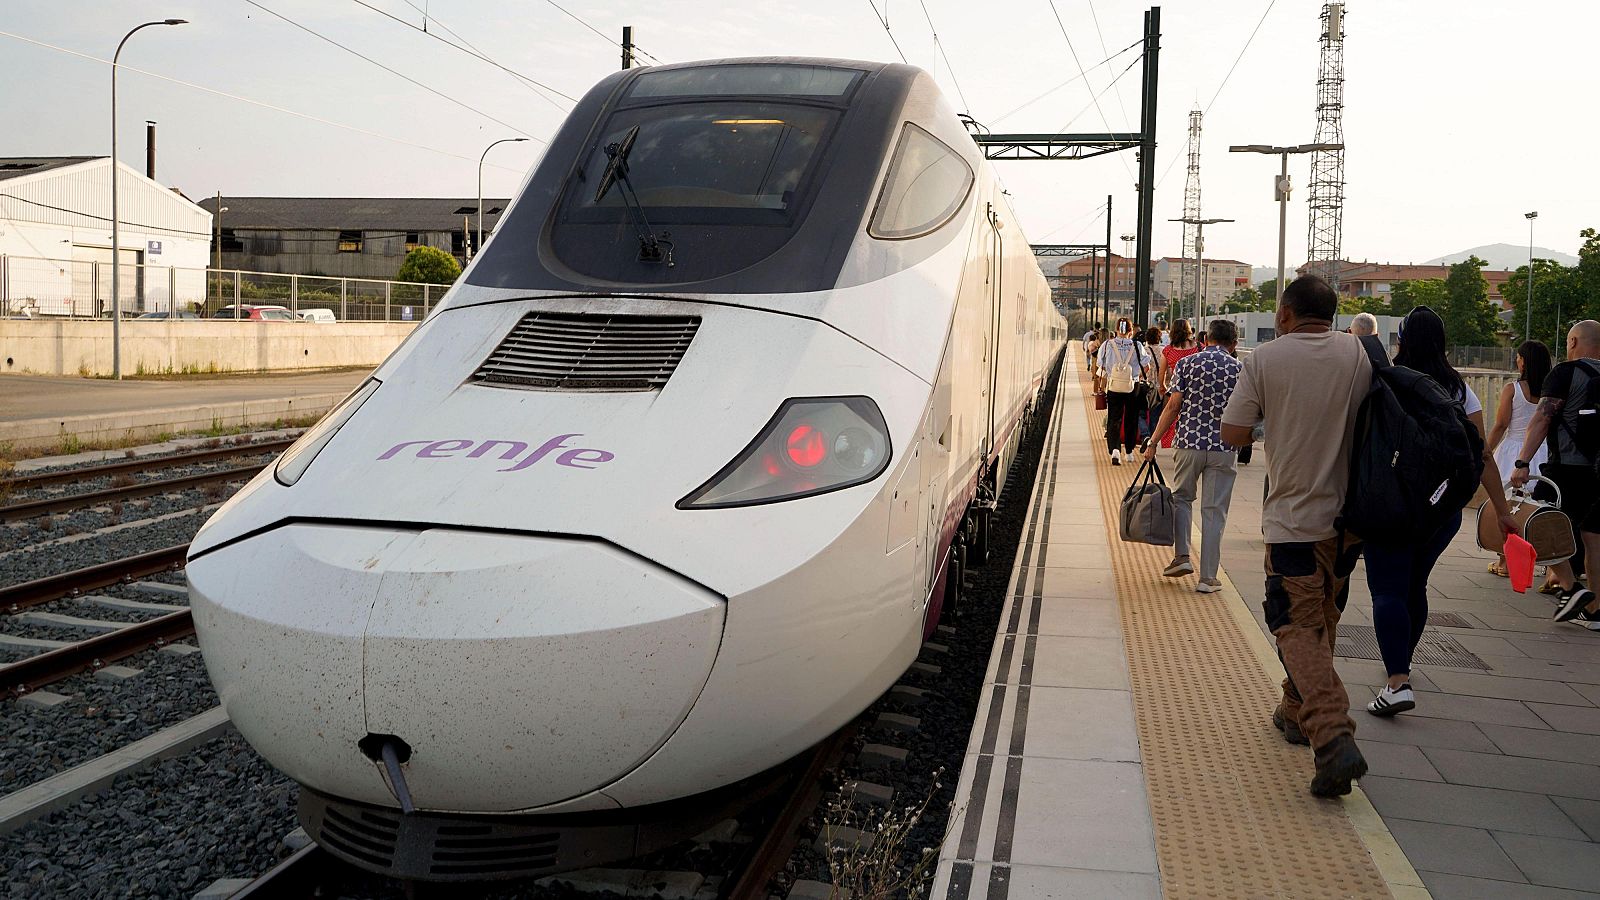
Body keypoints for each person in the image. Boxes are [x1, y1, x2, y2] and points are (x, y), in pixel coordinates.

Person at [1221, 274, 1372, 798]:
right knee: (1324, 616)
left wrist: (1273, 418)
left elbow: (1233, 433)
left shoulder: (1266, 359)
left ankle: (1332, 736)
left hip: (1293, 521)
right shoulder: (1357, 354)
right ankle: (1293, 709)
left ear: (1284, 314)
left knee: (1295, 626)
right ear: (1333, 314)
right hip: (1349, 523)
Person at [1360, 307, 1517, 716]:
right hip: (1440, 508)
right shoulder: (1457, 389)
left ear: (1402, 340)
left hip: (1389, 503)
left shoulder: (1384, 380)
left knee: (1388, 589)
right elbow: (1481, 454)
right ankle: (1403, 663)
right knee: (1416, 585)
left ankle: (1397, 681)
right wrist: (1502, 511)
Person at [1512, 320, 1600, 630]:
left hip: (1568, 469)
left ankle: (1570, 586)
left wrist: (1522, 462)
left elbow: (1542, 418)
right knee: (1593, 535)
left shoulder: (1566, 373)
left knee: (1531, 523)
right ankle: (1595, 611)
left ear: (1573, 342)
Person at [1143, 318, 1243, 593]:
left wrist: (1153, 441)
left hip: (1188, 442)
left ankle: (1182, 557)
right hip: (1223, 448)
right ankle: (1208, 578)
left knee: (1182, 499)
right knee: (1214, 511)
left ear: (1206, 340)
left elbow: (1173, 406)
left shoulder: (1187, 363)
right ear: (1234, 344)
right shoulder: (1239, 369)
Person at [1486, 341, 1552, 579]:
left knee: (1507, 507)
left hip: (1514, 452)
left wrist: (1485, 451)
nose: (1516, 360)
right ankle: (1541, 560)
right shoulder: (1551, 391)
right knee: (1537, 507)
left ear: (1524, 361)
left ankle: (1506, 561)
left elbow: (1501, 425)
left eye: (1518, 357)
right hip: (1542, 451)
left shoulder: (1513, 389)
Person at [1095, 317, 1153, 466]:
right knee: (1131, 418)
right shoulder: (1137, 345)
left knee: (1114, 417)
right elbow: (1147, 366)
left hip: (1113, 386)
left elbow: (1100, 365)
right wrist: (1136, 377)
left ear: (1116, 329)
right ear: (1130, 331)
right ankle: (1129, 452)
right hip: (1133, 386)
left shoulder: (1107, 344)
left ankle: (1115, 450)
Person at [1159, 319, 1200, 449]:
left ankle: (1171, 442)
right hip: (1196, 389)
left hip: (1176, 389)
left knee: (1172, 415)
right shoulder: (1199, 347)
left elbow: (1162, 372)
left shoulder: (1168, 350)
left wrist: (1162, 386)